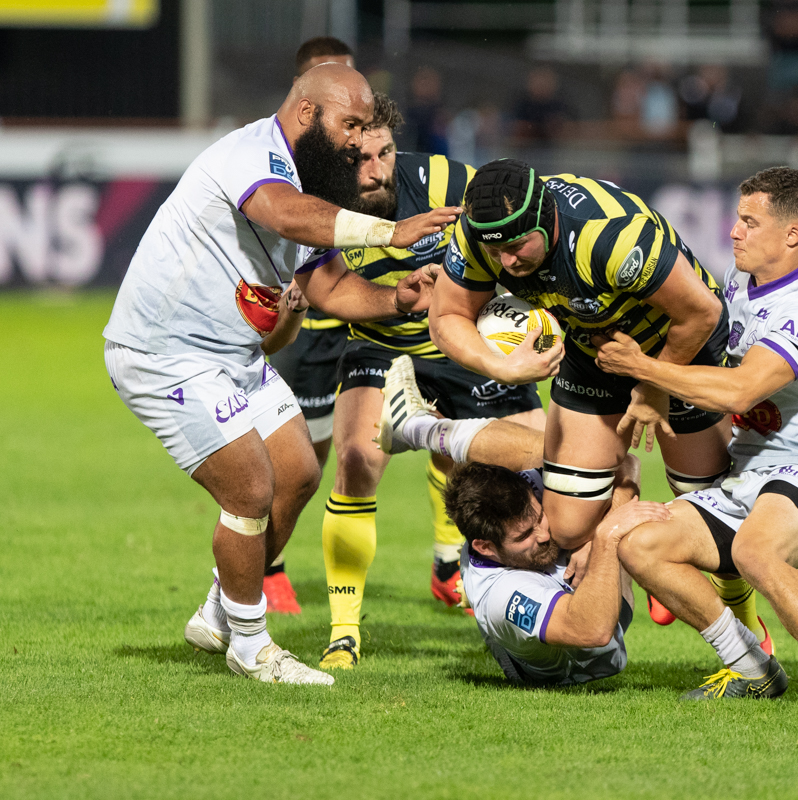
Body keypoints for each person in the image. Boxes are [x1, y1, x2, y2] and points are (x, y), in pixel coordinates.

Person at [102, 62, 459, 684]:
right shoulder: (251, 154)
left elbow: (328, 285)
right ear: (304, 115)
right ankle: (251, 645)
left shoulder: (315, 179)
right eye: (348, 124)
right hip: (164, 353)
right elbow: (288, 217)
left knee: (297, 472)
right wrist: (392, 232)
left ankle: (222, 606)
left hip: (234, 356)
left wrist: (397, 300)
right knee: (249, 487)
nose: (355, 140)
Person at [429, 159, 775, 646]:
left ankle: (749, 627)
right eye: (495, 248)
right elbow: (446, 316)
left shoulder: (609, 238)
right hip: (594, 352)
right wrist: (504, 367)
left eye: (516, 246)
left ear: (545, 218)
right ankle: (625, 495)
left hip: (680, 349)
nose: (505, 262)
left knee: (708, 508)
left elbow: (701, 311)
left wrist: (654, 385)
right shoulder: (481, 233)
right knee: (568, 529)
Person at [595, 167, 798, 713]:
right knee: (640, 544)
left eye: (750, 223)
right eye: (738, 219)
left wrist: (646, 371)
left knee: (755, 551)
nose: (734, 231)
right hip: (748, 474)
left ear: (793, 236)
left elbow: (742, 389)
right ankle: (752, 667)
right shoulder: (739, 279)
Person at [315, 95, 546, 671]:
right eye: (359, 159)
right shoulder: (321, 207)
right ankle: (344, 631)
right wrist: (398, 299)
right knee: (355, 462)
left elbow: (505, 241)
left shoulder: (445, 178)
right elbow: (329, 287)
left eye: (384, 153)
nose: (374, 170)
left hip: (465, 342)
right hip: (382, 342)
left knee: (551, 463)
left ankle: (521, 590)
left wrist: (498, 306)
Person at [377, 355, 668, 685]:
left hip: (552, 579)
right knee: (617, 521)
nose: (544, 534)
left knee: (562, 457)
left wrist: (594, 534)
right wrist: (605, 538)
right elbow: (593, 631)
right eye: (526, 535)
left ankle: (415, 428)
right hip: (580, 657)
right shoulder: (502, 595)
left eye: (539, 518)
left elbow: (625, 464)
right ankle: (653, 573)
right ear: (485, 547)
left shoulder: (527, 494)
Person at [259, 35, 358, 614]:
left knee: (333, 452)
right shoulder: (278, 158)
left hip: (349, 320)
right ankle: (267, 569)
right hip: (301, 326)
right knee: (292, 453)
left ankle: (447, 564)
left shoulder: (361, 152)